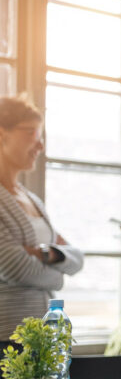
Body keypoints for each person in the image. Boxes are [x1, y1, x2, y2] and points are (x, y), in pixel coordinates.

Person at [0, 95, 83, 342]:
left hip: (42, 339)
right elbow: (15, 267)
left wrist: (47, 254)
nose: (41, 145)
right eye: (32, 134)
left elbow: (77, 257)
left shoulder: (32, 200)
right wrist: (58, 277)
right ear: (2, 134)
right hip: (6, 338)